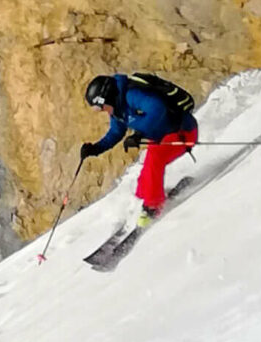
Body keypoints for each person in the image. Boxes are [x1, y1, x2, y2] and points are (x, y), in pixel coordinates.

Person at [79, 72, 200, 227]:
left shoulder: (132, 95)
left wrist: (140, 134)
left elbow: (158, 108)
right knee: (144, 181)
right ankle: (151, 197)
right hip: (163, 137)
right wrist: (95, 149)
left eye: (101, 107)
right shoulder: (118, 108)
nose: (103, 111)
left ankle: (153, 206)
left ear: (106, 98)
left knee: (154, 160)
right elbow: (116, 132)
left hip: (182, 134)